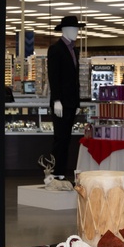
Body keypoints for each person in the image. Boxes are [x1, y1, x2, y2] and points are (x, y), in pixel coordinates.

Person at [46, 16, 84, 180]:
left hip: (71, 102)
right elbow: (53, 77)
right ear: (65, 30)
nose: (76, 32)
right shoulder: (56, 49)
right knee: (60, 138)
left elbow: (75, 79)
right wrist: (56, 101)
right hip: (60, 102)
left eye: (77, 29)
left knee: (67, 138)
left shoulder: (75, 50)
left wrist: (77, 102)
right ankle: (55, 172)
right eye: (73, 29)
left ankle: (61, 172)